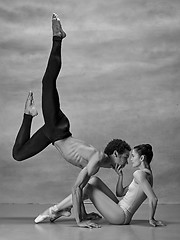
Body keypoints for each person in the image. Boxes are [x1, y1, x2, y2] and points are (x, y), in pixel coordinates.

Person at [12, 13, 131, 228]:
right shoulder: (96, 160)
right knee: (47, 81)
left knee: (18, 154)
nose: (127, 162)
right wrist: (80, 221)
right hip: (58, 128)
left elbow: (90, 188)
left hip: (52, 134)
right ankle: (58, 37)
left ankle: (29, 114)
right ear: (115, 154)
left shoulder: (101, 161)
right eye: (125, 157)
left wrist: (117, 174)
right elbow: (77, 188)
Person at [35, 144, 165, 228]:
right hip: (119, 208)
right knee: (94, 180)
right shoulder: (147, 175)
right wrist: (120, 176)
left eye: (133, 156)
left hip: (121, 216)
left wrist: (151, 219)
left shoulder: (139, 174)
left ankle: (55, 210)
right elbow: (120, 193)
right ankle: (63, 209)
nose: (130, 159)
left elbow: (153, 199)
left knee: (88, 187)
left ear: (142, 158)